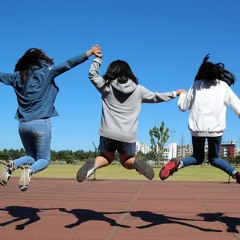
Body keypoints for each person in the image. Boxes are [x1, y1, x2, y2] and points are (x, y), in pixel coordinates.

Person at [0, 45, 101, 191]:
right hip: (41, 123)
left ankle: (13, 164)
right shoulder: (45, 73)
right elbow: (68, 64)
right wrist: (89, 53)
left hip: (23, 125)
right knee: (44, 160)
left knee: (31, 157)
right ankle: (29, 171)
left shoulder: (16, 78)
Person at [76, 46, 185, 182]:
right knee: (127, 161)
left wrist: (97, 58)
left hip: (107, 132)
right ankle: (136, 163)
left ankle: (93, 165)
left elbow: (92, 74)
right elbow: (157, 97)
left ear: (111, 72)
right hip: (127, 135)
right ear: (129, 73)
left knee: (106, 158)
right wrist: (175, 93)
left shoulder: (107, 87)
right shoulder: (139, 90)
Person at [159, 54, 240, 183]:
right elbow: (238, 106)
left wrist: (182, 94)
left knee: (197, 157)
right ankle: (235, 173)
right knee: (214, 158)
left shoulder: (196, 85)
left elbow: (183, 107)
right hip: (215, 129)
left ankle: (178, 164)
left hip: (197, 129)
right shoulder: (223, 86)